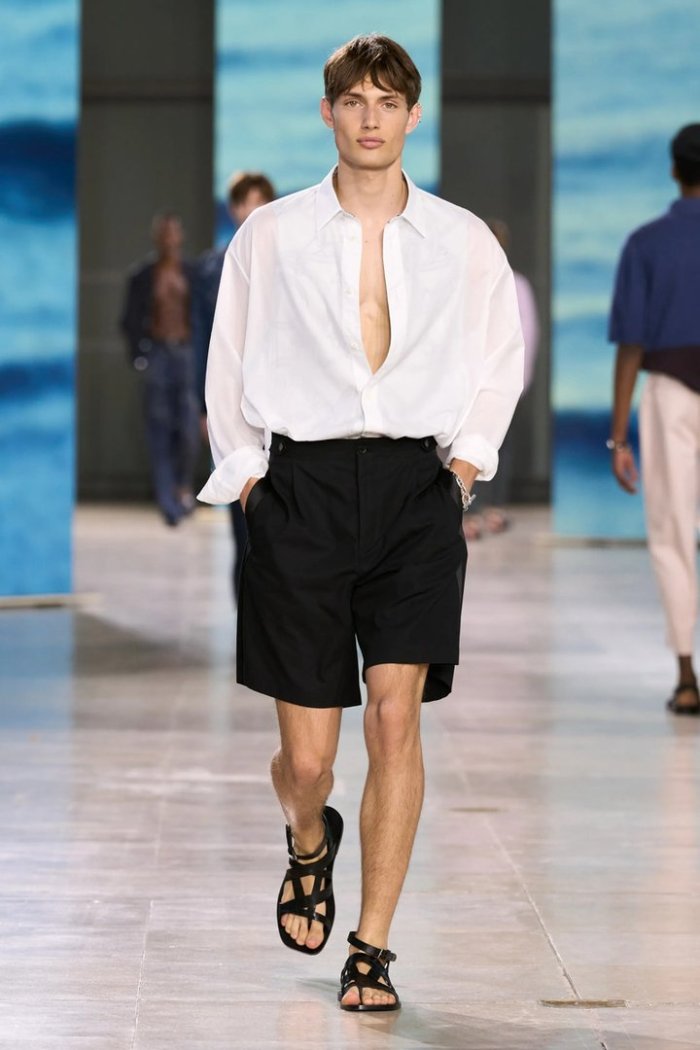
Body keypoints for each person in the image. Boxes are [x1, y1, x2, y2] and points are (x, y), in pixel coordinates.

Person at [198, 34, 523, 1010]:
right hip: (300, 489)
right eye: (354, 100)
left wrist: (461, 469)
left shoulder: (462, 239)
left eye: (388, 101)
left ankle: (371, 948)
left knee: (393, 721)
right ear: (328, 112)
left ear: (413, 115)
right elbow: (227, 362)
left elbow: (499, 358)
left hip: (415, 491)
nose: (371, 117)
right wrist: (252, 484)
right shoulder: (271, 236)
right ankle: (310, 838)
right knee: (308, 761)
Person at [608, 123, 700, 716]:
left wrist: (619, 437)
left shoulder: (646, 242)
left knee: (672, 532)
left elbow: (631, 344)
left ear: (674, 170)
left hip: (670, 393)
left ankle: (688, 676)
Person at [194, 173, 276, 596]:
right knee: (242, 513)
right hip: (231, 397)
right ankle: (247, 608)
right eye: (247, 202)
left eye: (262, 201)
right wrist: (203, 406)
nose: (254, 210)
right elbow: (203, 342)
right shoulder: (212, 268)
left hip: (278, 403)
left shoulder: (291, 263)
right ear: (234, 209)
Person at [120, 212, 199, 526]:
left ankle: (182, 486)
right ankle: (168, 501)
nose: (168, 239)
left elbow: (203, 316)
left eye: (172, 233)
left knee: (189, 429)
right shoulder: (142, 276)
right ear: (155, 237)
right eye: (163, 233)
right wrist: (139, 356)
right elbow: (128, 320)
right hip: (158, 354)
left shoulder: (192, 274)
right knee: (159, 429)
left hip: (187, 353)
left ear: (180, 236)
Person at [463, 218, 539, 538]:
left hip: (502, 380)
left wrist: (520, 379)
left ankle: (494, 506)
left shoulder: (516, 283)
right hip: (469, 380)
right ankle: (469, 510)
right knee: (465, 443)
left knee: (499, 444)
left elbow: (528, 333)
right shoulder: (465, 281)